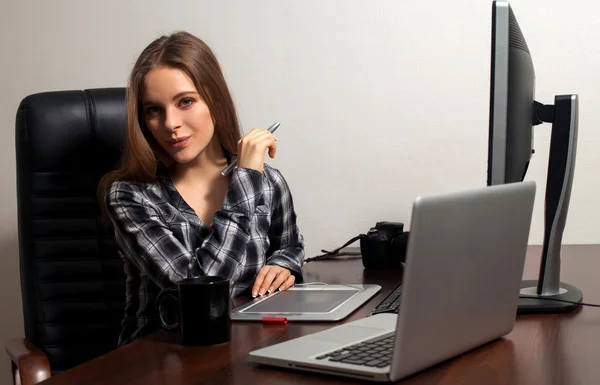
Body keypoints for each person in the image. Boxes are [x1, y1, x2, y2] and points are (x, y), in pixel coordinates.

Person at [98, 31, 305, 345]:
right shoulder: (130, 196)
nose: (170, 123)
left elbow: (289, 247)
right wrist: (245, 178)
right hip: (160, 362)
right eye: (154, 110)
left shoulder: (269, 182)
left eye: (185, 102)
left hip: (245, 350)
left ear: (214, 99)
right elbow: (201, 294)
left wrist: (283, 265)